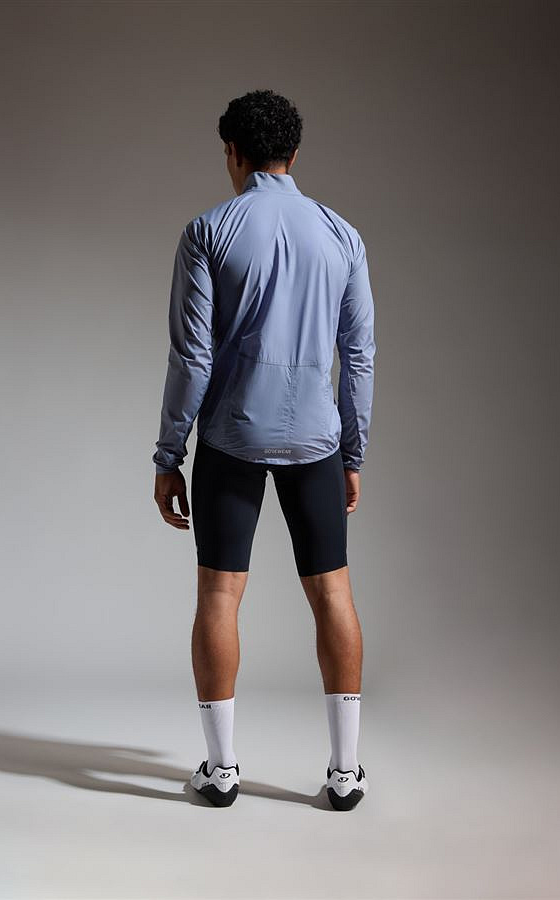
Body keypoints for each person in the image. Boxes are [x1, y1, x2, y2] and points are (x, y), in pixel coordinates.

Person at [152, 89, 375, 811]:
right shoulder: (342, 236)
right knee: (333, 593)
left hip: (231, 438)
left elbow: (191, 359)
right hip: (316, 438)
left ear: (234, 153)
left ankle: (221, 772)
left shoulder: (208, 231)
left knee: (220, 596)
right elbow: (359, 357)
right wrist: (352, 453)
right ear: (294, 154)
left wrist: (168, 455)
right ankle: (345, 773)